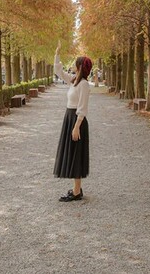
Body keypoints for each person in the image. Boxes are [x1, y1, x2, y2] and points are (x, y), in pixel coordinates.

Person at [53, 41, 91, 202]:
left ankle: (76, 192)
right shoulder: (75, 80)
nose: (74, 66)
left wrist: (76, 127)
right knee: (72, 153)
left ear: (80, 67)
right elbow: (59, 72)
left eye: (76, 64)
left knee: (76, 154)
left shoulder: (84, 85)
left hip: (76, 121)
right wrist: (57, 53)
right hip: (69, 118)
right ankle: (77, 189)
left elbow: (82, 107)